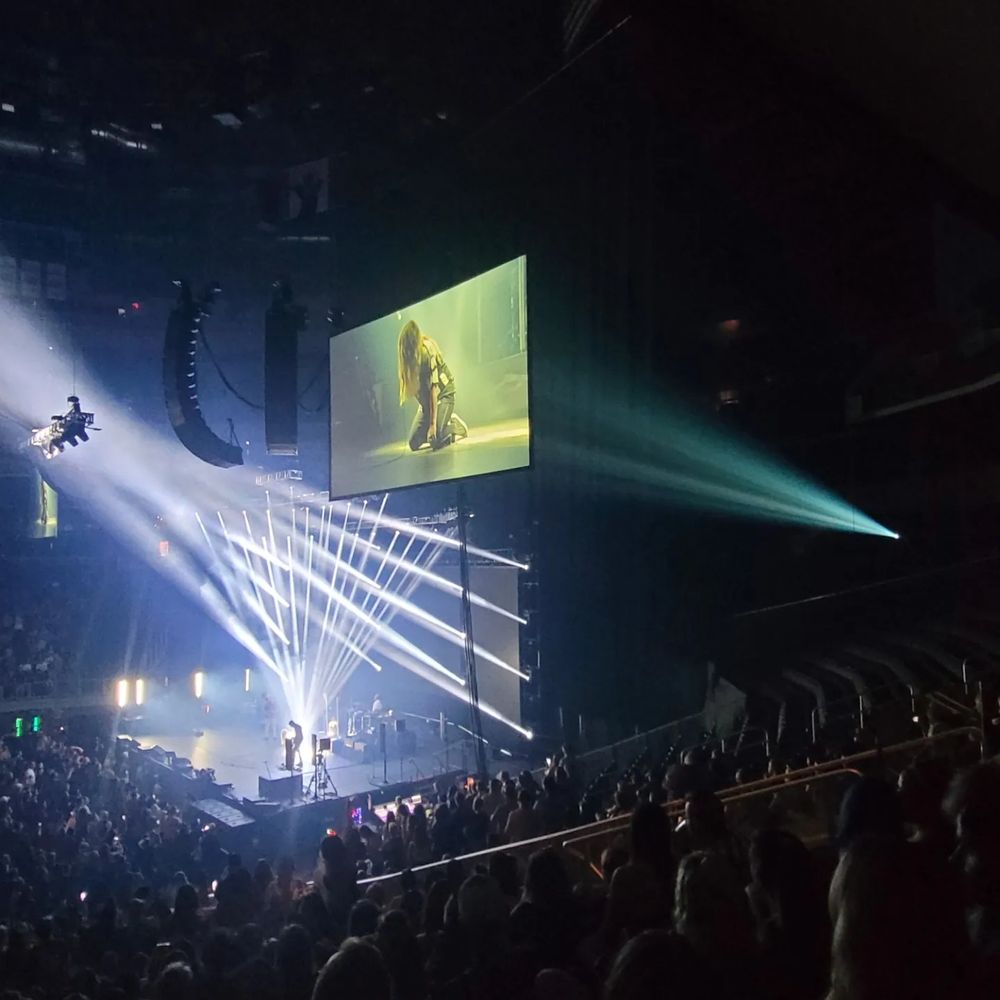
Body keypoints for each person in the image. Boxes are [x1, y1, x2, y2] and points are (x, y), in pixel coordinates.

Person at [397, 320, 468, 452]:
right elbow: (418, 390)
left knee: (436, 438)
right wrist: (425, 410)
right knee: (413, 443)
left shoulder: (426, 352)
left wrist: (432, 424)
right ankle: (441, 423)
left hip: (443, 394)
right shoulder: (409, 360)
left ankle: (452, 425)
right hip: (428, 402)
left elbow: (433, 389)